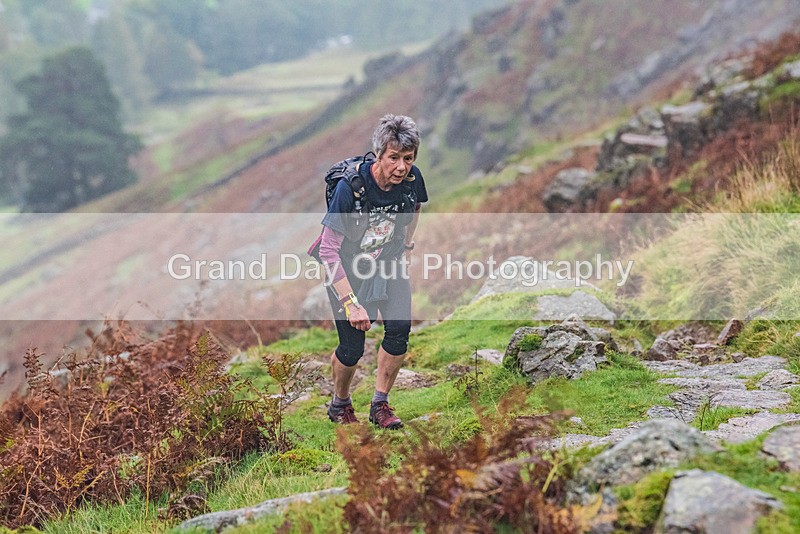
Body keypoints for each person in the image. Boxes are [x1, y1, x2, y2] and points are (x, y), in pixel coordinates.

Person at [314, 114, 428, 429]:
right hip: (348, 269)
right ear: (378, 155)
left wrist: (405, 247)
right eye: (394, 158)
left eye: (408, 158)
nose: (402, 167)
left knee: (399, 332)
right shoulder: (351, 189)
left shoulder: (412, 180)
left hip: (388, 264)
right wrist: (350, 302)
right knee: (352, 348)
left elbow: (415, 207)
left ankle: (380, 405)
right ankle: (340, 403)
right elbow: (327, 250)